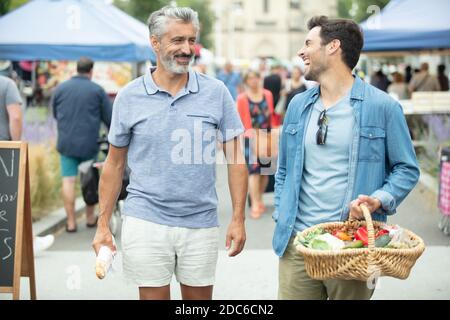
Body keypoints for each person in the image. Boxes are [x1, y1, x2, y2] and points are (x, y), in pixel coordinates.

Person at [92, 6, 248, 300]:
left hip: (200, 221)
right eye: (177, 40)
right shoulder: (129, 96)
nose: (187, 49)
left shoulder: (216, 93)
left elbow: (236, 159)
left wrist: (239, 218)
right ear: (155, 43)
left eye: (191, 40)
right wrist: (102, 225)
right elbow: (114, 164)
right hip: (144, 218)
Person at [273, 16, 420, 300]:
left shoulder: (383, 107)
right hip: (299, 243)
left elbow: (406, 168)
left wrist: (379, 198)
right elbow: (284, 170)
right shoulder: (298, 105)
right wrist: (281, 213)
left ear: (333, 47)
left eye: (308, 44)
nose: (301, 52)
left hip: (353, 245)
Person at [51, 57, 112, 232]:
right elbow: (109, 119)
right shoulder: (97, 90)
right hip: (89, 144)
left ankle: (70, 223)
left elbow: (55, 114)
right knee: (89, 180)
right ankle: (90, 217)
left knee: (68, 180)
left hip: (66, 143)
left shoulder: (60, 89)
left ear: (76, 69)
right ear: (91, 71)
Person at [1, 75, 55, 254]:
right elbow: (15, 117)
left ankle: (30, 241)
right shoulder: (6, 84)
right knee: (11, 201)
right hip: (4, 151)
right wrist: (16, 146)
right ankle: (29, 242)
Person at [237, 71, 279, 219]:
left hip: (267, 136)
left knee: (266, 171)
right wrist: (252, 138)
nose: (254, 81)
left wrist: (274, 130)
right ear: (246, 81)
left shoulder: (267, 94)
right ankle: (254, 202)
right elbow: (244, 122)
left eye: (256, 77)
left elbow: (271, 114)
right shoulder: (242, 98)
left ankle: (260, 198)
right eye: (250, 78)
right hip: (251, 136)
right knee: (254, 171)